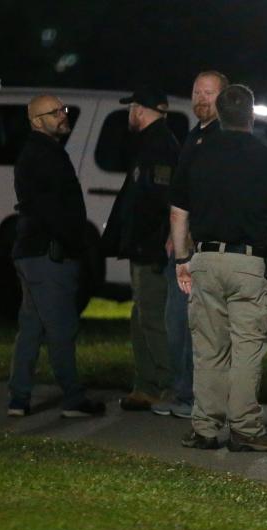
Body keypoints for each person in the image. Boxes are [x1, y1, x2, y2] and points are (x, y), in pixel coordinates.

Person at [169, 84, 267, 452]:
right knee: (247, 347)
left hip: (205, 258)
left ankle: (205, 427)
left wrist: (183, 260)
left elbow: (179, 211)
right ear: (251, 116)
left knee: (208, 348)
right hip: (250, 263)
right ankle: (245, 429)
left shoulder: (195, 156)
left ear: (217, 113)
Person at [6, 94, 104, 419]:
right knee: (61, 326)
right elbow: (54, 210)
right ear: (37, 121)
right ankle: (74, 399)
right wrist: (73, 244)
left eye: (63, 109)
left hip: (32, 253)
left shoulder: (39, 153)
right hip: (49, 255)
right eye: (55, 112)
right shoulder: (44, 155)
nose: (63, 115)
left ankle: (18, 399)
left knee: (32, 326)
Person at [100, 86, 180, 413]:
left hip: (151, 249)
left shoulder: (159, 146)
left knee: (152, 318)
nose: (129, 113)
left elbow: (161, 200)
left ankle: (167, 387)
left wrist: (160, 238)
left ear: (141, 109)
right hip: (142, 246)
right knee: (141, 316)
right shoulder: (150, 143)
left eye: (132, 107)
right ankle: (145, 385)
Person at [154, 70, 229, 419]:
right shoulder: (193, 136)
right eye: (197, 91)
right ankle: (182, 390)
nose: (200, 98)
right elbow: (181, 195)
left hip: (204, 250)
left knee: (199, 326)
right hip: (184, 247)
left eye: (208, 93)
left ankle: (195, 397)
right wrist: (176, 235)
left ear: (224, 98)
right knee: (177, 324)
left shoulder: (224, 138)